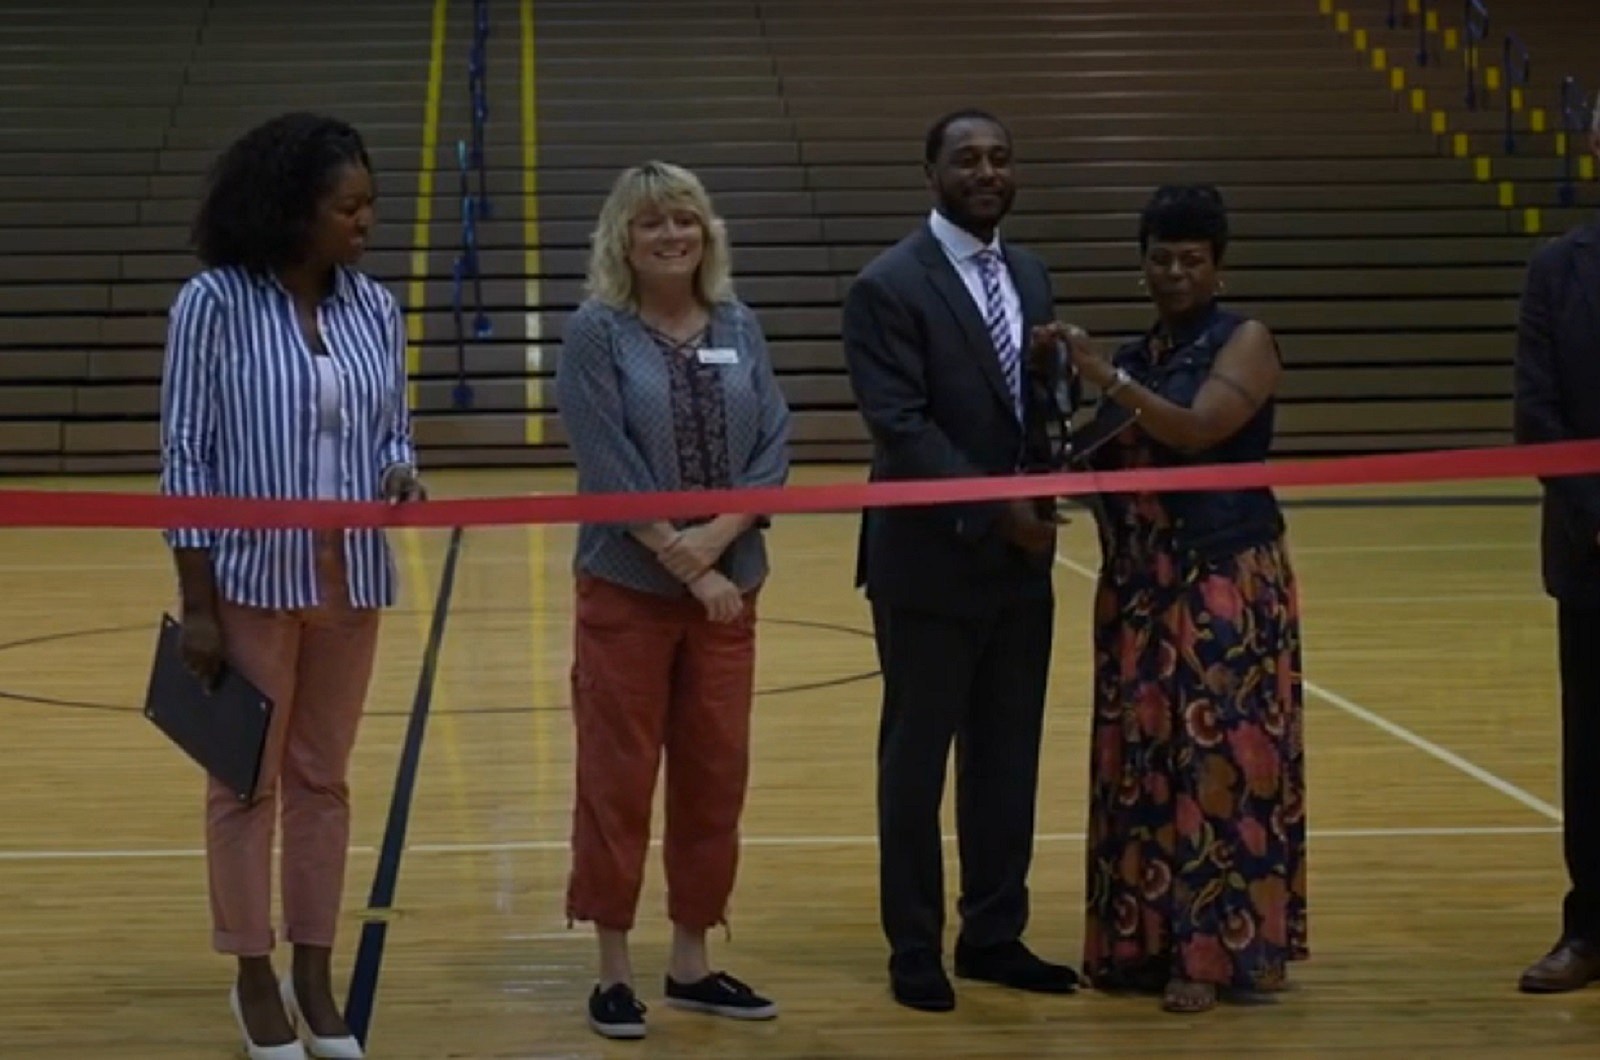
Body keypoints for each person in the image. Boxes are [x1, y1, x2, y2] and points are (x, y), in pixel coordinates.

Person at [160, 112, 424, 1060]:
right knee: (244, 784)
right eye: (346, 206)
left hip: (348, 578)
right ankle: (253, 975)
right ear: (288, 208)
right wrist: (196, 603)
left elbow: (393, 431)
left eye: (369, 204)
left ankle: (316, 972)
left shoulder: (376, 309)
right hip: (247, 582)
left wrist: (400, 470)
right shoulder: (214, 305)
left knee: (324, 780)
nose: (366, 221)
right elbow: (185, 455)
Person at [1038, 184, 1307, 1014]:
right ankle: (1140, 942)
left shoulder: (1246, 339)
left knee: (1216, 763)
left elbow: (1198, 428)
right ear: (1143, 264)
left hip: (1222, 581)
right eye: (1162, 258)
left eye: (1194, 259)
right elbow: (1103, 459)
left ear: (1219, 268)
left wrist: (1103, 378)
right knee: (1141, 765)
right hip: (1139, 588)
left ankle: (1212, 955)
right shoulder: (1140, 352)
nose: (1177, 272)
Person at [840, 109, 1079, 1013]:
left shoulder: (1029, 271)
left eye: (1000, 158)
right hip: (930, 561)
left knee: (1007, 754)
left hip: (1021, 563)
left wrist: (1057, 372)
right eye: (967, 159)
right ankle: (914, 945)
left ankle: (992, 933)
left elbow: (1028, 409)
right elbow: (901, 430)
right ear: (931, 170)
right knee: (917, 759)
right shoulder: (887, 285)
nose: (987, 171)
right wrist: (999, 507)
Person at [554, 160, 791, 1040]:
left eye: (685, 220)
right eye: (652, 223)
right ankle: (612, 968)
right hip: (628, 590)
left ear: (707, 232)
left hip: (733, 592)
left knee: (714, 776)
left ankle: (691, 959)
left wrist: (721, 541)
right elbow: (605, 459)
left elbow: (774, 440)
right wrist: (683, 562)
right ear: (624, 238)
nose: (671, 236)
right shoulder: (596, 333)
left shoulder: (739, 323)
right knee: (617, 779)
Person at [1511, 102, 1600, 994]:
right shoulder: (1557, 268)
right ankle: (1592, 928)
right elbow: (1538, 416)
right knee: (1595, 753)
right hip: (1593, 555)